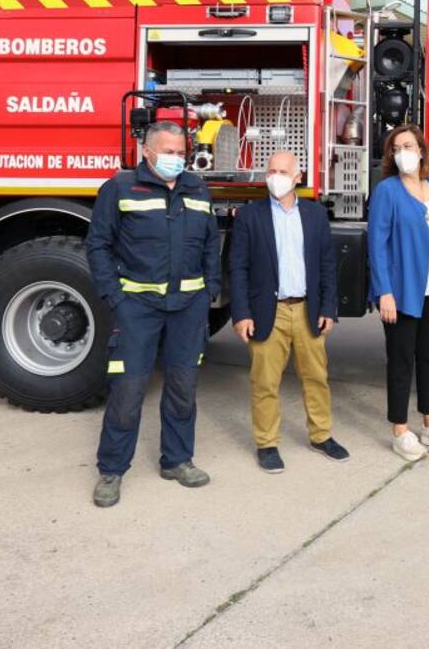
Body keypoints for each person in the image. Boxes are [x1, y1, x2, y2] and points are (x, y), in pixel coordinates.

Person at [86, 121, 222, 508]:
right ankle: (112, 470)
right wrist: (114, 295)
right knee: (127, 390)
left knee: (182, 388)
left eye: (181, 152)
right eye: (168, 151)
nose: (175, 159)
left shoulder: (197, 189)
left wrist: (210, 289)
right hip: (137, 309)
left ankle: (177, 460)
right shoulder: (121, 188)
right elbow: (98, 244)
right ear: (146, 152)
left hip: (187, 309)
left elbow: (212, 244)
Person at [229, 151, 346, 473]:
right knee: (265, 383)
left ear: (298, 177)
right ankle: (267, 444)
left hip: (307, 309)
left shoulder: (314, 215)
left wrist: (328, 308)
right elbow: (237, 268)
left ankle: (321, 435)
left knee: (316, 378)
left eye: (282, 171)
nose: (275, 176)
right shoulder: (250, 216)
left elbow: (326, 265)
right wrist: (241, 314)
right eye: (271, 171)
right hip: (269, 311)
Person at [367, 124, 429, 461]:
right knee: (400, 360)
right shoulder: (387, 191)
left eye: (408, 146)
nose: (402, 154)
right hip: (402, 291)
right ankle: (400, 429)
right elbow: (377, 245)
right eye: (396, 149)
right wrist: (384, 292)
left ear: (422, 150)